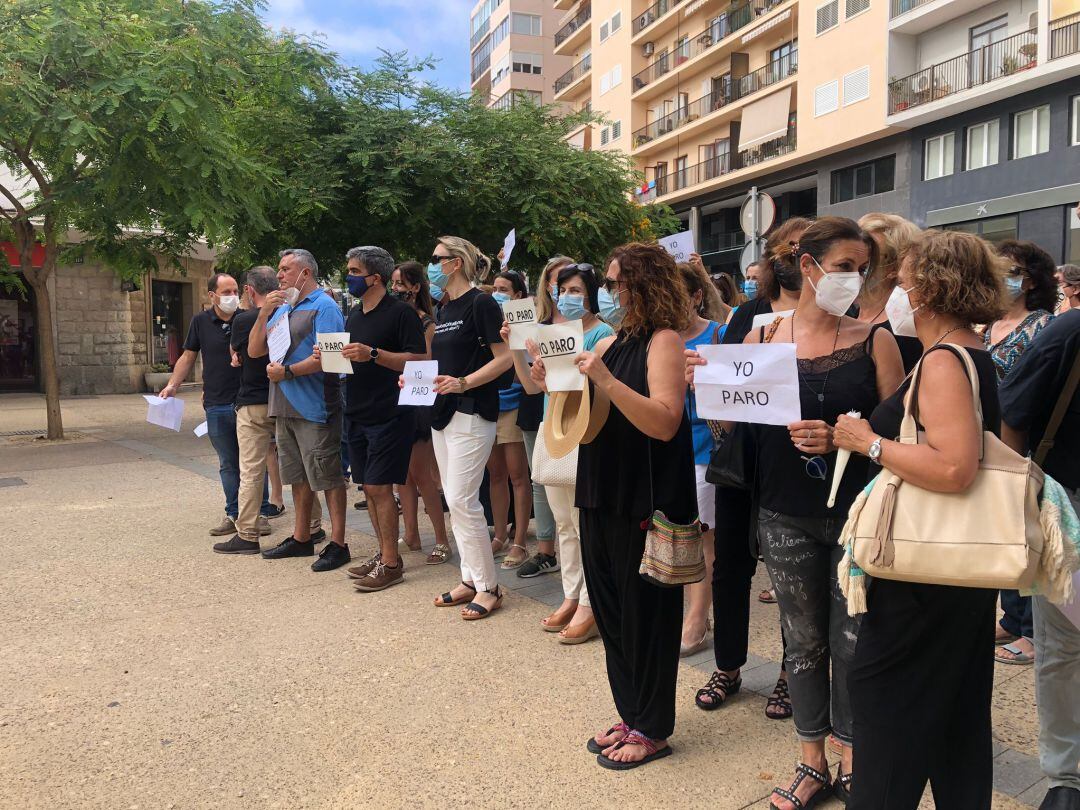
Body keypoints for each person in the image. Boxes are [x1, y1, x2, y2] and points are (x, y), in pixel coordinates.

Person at [693, 217, 905, 807]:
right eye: (843, 268)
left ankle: (854, 754)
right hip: (783, 512)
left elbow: (900, 430)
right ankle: (812, 758)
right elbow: (730, 429)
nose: (853, 280)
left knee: (854, 638)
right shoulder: (760, 339)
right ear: (806, 266)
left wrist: (846, 437)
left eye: (862, 270)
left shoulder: (875, 340)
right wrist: (706, 387)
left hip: (857, 513)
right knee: (803, 638)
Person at [833, 229, 1009, 809]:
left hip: (923, 574)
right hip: (957, 568)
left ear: (932, 290)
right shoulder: (971, 354)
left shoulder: (942, 361)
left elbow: (955, 467)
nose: (896, 294)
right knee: (954, 714)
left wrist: (868, 442)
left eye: (904, 283)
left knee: (887, 706)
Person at [536, 242, 694, 768]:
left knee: (646, 614)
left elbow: (665, 421)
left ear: (641, 284)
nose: (606, 292)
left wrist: (603, 379)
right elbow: (579, 406)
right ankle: (630, 713)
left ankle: (653, 726)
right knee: (612, 611)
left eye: (613, 282)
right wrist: (550, 379)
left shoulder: (662, 341)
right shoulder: (616, 340)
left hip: (644, 495)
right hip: (601, 488)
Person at [690, 217, 811, 723]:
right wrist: (707, 381)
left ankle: (791, 674)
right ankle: (729, 666)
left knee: (791, 575)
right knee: (731, 567)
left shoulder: (832, 318)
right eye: (787, 249)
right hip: (742, 461)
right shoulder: (749, 314)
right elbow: (727, 392)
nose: (793, 259)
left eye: (803, 250)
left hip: (799, 465)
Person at [505, 262, 614, 643]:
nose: (567, 298)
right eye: (562, 289)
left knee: (586, 525)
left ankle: (591, 602)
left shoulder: (604, 334)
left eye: (575, 291)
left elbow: (592, 391)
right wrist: (520, 351)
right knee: (564, 523)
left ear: (592, 294)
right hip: (555, 431)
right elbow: (536, 389)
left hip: (587, 434)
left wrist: (551, 373)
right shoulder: (552, 333)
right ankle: (571, 595)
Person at [1000, 306, 1080, 810]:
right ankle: (1067, 777)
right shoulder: (1068, 331)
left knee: (1063, 650)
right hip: (1069, 512)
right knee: (1064, 647)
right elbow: (1012, 415)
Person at [327, 247, 427, 592]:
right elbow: (351, 358)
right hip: (357, 411)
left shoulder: (401, 314)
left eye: (355, 271)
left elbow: (419, 359)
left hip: (390, 413)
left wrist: (374, 354)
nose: (349, 276)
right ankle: (382, 552)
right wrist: (329, 355)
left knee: (379, 487)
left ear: (376, 278)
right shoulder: (354, 315)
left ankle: (392, 562)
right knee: (367, 487)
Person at [426, 237, 513, 620]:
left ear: (455, 263)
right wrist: (418, 381)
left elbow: (506, 357)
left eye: (436, 259)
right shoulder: (444, 309)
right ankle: (470, 578)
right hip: (443, 414)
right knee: (455, 497)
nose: (431, 265)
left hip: (474, 412)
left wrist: (464, 383)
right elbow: (444, 364)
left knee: (463, 499)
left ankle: (489, 586)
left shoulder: (482, 303)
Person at [981, 240, 1059, 664]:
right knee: (999, 533)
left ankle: (1030, 631)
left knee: (1025, 534)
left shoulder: (1043, 326)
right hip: (981, 443)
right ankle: (1011, 618)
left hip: (1022, 447)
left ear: (1028, 280)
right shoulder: (984, 324)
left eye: (1008, 271)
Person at [250, 248, 352, 573]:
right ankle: (301, 536)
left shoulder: (325, 306)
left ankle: (338, 543)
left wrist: (290, 372)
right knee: (298, 477)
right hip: (284, 406)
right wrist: (263, 314)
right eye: (279, 270)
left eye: (285, 269)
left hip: (316, 407)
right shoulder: (281, 309)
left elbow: (334, 358)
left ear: (304, 273)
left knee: (328, 476)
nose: (278, 276)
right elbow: (255, 351)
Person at [161, 272, 272, 537]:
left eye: (235, 291)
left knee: (254, 460)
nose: (232, 297)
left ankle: (261, 513)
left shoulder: (248, 318)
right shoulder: (200, 321)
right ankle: (233, 512)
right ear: (212, 295)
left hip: (247, 400)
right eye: (226, 292)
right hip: (217, 402)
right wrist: (172, 385)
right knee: (228, 462)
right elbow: (188, 356)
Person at [212, 266, 283, 554]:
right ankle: (311, 526)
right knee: (297, 467)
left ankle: (248, 532)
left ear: (249, 290)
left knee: (251, 470)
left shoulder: (244, 320)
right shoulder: (288, 314)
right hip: (284, 397)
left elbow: (239, 355)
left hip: (253, 402)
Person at [676, 260, 727, 656]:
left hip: (703, 451)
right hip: (663, 449)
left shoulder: (720, 336)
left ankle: (697, 617)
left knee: (700, 538)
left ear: (697, 296)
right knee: (676, 534)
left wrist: (703, 386)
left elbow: (735, 400)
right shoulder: (653, 340)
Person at [390, 261, 452, 564]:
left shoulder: (426, 321)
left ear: (415, 287)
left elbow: (426, 359)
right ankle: (411, 534)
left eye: (401, 283)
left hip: (418, 400)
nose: (395, 289)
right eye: (393, 283)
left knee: (422, 474)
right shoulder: (392, 316)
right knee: (401, 474)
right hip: (392, 399)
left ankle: (441, 539)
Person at [488, 270, 534, 569]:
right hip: (490, 404)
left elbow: (527, 370)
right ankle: (500, 532)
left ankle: (520, 539)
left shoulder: (526, 324)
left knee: (518, 475)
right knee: (495, 475)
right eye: (495, 288)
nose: (497, 293)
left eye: (504, 289)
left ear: (518, 295)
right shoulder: (488, 319)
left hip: (515, 402)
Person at [856, 213, 924, 373]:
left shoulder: (907, 325)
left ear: (895, 267)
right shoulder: (844, 312)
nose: (857, 259)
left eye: (870, 254)